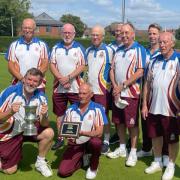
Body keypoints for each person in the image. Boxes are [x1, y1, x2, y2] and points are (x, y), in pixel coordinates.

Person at [0, 68, 54, 177]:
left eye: (35, 81)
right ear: (24, 79)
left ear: (39, 83)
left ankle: (40, 162)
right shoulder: (10, 92)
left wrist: (43, 116)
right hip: (9, 131)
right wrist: (10, 112)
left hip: (29, 129)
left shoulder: (41, 97)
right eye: (29, 79)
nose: (31, 83)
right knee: (10, 170)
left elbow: (44, 124)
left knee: (49, 132)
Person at [107, 23, 146, 167]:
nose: (124, 35)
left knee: (132, 124)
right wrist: (115, 87)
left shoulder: (139, 49)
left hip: (131, 93)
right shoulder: (118, 50)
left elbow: (140, 71)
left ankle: (133, 152)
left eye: (127, 33)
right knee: (119, 122)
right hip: (117, 92)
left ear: (133, 33)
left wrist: (123, 85)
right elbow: (112, 70)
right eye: (122, 33)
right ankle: (122, 148)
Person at [142, 32, 179, 180]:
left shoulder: (178, 60)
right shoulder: (153, 61)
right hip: (153, 107)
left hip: (172, 110)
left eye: (165, 42)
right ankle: (157, 161)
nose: (162, 45)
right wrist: (144, 104)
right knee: (155, 136)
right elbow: (147, 84)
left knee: (172, 140)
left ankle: (170, 165)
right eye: (160, 42)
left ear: (172, 44)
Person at [58, 83, 108, 179]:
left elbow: (99, 132)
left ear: (91, 94)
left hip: (90, 142)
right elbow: (67, 130)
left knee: (96, 142)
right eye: (79, 93)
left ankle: (93, 167)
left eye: (84, 93)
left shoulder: (98, 108)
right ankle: (82, 159)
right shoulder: (70, 109)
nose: (81, 96)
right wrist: (65, 133)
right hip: (75, 144)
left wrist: (82, 133)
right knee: (63, 172)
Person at [50, 23, 86, 150]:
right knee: (59, 114)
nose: (67, 35)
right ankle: (60, 138)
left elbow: (82, 66)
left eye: (69, 32)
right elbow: (52, 65)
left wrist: (68, 78)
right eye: (65, 32)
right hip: (58, 87)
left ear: (74, 34)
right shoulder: (55, 48)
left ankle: (73, 138)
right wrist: (61, 79)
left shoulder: (79, 48)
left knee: (76, 113)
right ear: (61, 33)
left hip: (76, 88)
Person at [86, 25, 114, 154]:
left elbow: (114, 69)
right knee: (90, 115)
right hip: (90, 91)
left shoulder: (109, 50)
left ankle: (106, 141)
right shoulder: (88, 51)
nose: (95, 37)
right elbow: (85, 69)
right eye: (93, 35)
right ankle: (91, 139)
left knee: (104, 116)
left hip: (103, 90)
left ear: (103, 36)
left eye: (97, 35)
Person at [5, 18, 49, 91]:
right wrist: (22, 79)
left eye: (29, 28)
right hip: (18, 83)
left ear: (34, 29)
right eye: (25, 28)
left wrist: (33, 80)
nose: (27, 30)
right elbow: (11, 66)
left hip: (37, 85)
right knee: (18, 103)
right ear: (22, 29)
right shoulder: (14, 45)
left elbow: (45, 65)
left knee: (37, 103)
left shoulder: (42, 45)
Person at [108, 23, 123, 145]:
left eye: (121, 30)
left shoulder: (130, 46)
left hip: (126, 86)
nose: (118, 33)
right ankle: (118, 135)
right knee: (114, 112)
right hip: (110, 85)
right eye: (117, 30)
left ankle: (125, 138)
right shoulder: (109, 47)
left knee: (127, 114)